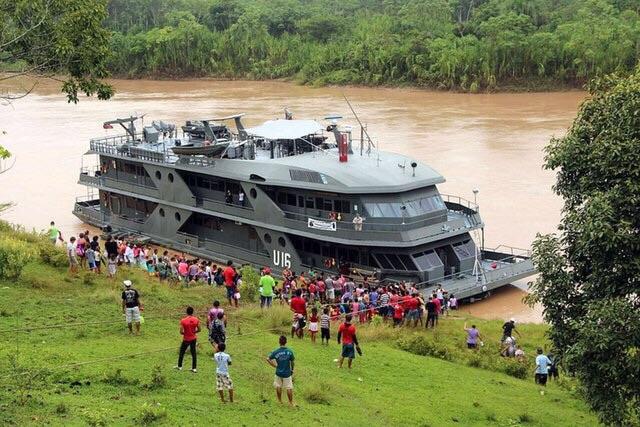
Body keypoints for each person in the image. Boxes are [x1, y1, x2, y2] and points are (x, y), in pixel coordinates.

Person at [267, 335, 295, 406]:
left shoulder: (276, 351)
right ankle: (290, 402)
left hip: (278, 372)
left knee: (278, 386)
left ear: (279, 342)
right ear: (286, 342)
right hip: (287, 373)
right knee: (289, 387)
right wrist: (292, 369)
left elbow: (268, 358)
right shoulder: (289, 351)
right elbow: (292, 362)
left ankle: (280, 401)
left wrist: (274, 365)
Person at [176, 306, 200, 373]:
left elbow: (181, 331)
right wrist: (194, 332)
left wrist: (185, 333)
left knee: (182, 352)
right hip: (193, 338)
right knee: (193, 353)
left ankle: (179, 366)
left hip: (186, 338)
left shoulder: (183, 320)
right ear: (193, 312)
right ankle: (194, 368)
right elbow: (199, 329)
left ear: (186, 312)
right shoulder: (196, 319)